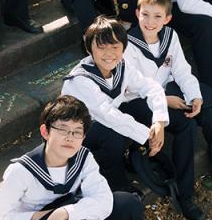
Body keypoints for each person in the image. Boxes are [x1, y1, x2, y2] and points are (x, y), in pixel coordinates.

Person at [125, 0, 212, 196]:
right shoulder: (128, 44)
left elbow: (181, 71)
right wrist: (164, 99)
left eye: (157, 16)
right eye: (145, 14)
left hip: (168, 91)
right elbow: (132, 85)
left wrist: (194, 96)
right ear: (137, 14)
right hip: (139, 100)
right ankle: (185, 193)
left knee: (208, 114)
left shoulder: (170, 36)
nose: (150, 21)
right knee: (186, 125)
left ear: (168, 19)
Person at [60, 16, 169, 199]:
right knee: (112, 134)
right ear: (89, 49)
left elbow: (151, 87)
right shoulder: (80, 80)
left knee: (143, 107)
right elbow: (106, 114)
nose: (109, 53)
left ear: (123, 48)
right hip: (74, 134)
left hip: (105, 124)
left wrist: (159, 122)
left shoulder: (121, 67)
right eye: (101, 47)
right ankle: (117, 188)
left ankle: (133, 158)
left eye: (115, 46)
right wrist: (147, 135)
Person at [0, 95, 143, 220]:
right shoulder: (21, 171)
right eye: (63, 129)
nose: (70, 138)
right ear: (45, 132)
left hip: (71, 212)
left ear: (84, 136)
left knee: (126, 203)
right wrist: (43, 216)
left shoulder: (83, 158)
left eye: (77, 132)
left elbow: (103, 199)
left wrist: (67, 212)